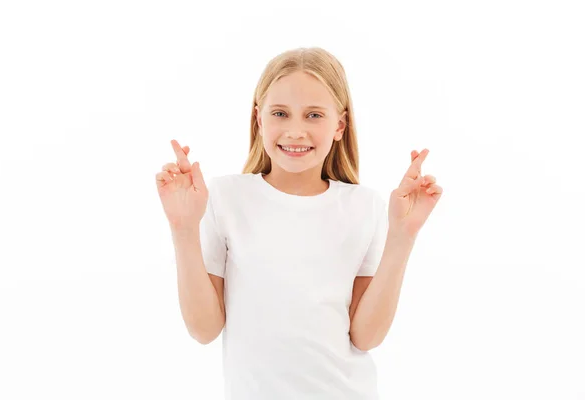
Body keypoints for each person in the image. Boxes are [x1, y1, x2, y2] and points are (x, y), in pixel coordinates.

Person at [155, 47, 443, 399]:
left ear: (340, 125)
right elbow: (203, 329)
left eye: (313, 115)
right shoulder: (227, 197)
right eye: (280, 113)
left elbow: (366, 336)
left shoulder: (363, 206)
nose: (295, 131)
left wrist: (403, 236)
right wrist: (183, 229)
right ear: (259, 119)